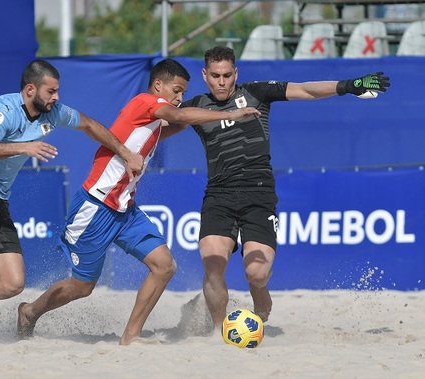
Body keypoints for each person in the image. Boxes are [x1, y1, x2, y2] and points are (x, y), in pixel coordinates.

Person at [17, 58, 261, 345]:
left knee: (164, 266)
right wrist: (228, 113)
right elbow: (179, 117)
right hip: (95, 208)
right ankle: (30, 311)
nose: (179, 98)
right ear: (158, 85)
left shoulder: (154, 119)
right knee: (82, 287)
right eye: (176, 90)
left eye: (183, 92)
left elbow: (173, 125)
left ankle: (130, 337)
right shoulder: (145, 101)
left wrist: (192, 114)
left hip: (125, 210)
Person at [0, 59, 145, 347]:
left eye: (58, 91)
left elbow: (89, 125)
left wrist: (124, 151)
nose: (57, 97)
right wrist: (25, 146)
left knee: (12, 284)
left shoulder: (55, 113)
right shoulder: (7, 109)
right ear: (30, 89)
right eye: (51, 91)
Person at [163, 46, 390, 335]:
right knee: (212, 263)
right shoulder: (196, 107)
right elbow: (158, 125)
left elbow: (306, 90)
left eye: (227, 75)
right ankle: (221, 332)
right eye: (215, 76)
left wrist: (348, 86)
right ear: (205, 75)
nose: (222, 81)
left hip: (258, 195)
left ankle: (259, 289)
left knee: (255, 273)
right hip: (218, 195)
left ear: (236, 73)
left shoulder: (257, 93)